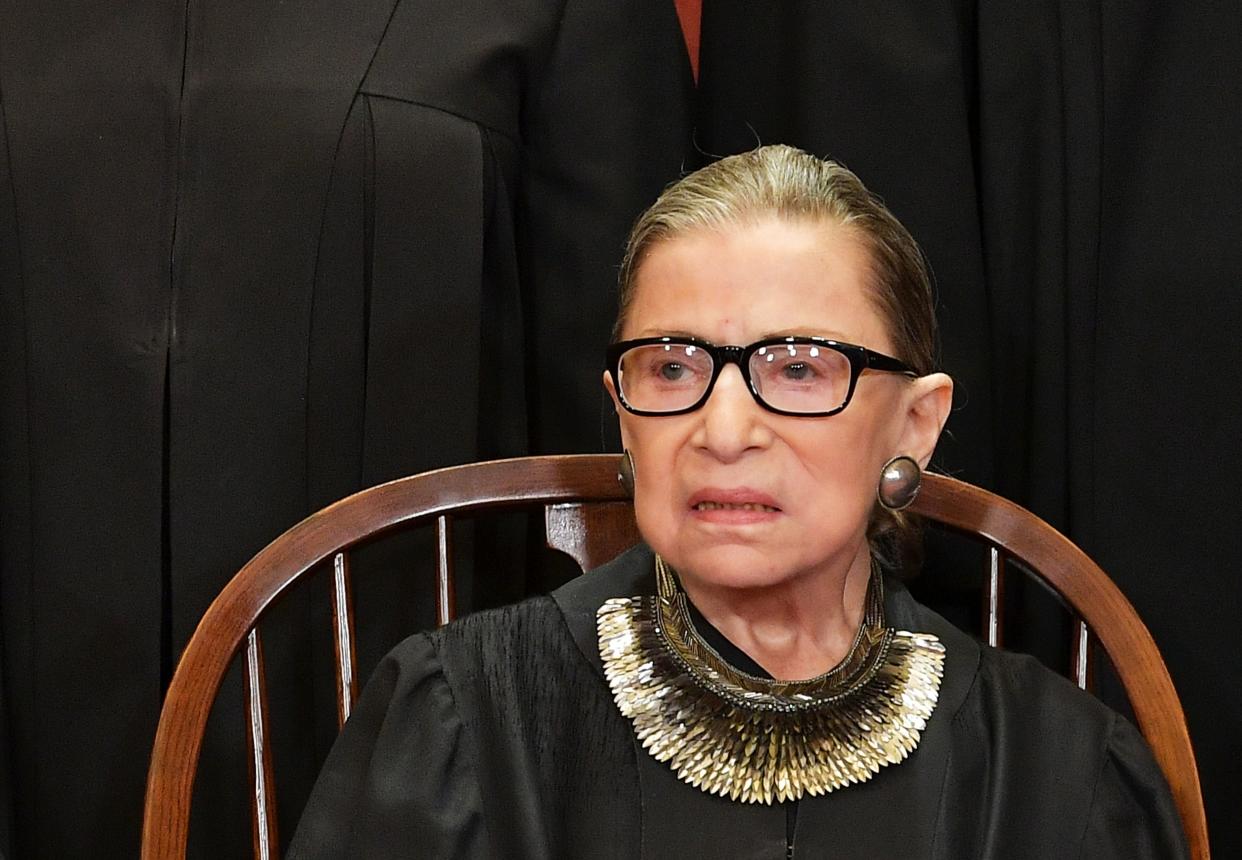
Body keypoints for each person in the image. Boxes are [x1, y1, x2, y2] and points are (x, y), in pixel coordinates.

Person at [287, 146, 1189, 858]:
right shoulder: (461, 722)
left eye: (798, 369)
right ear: (624, 417)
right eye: (673, 368)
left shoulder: (1059, 773)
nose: (723, 429)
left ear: (916, 422)